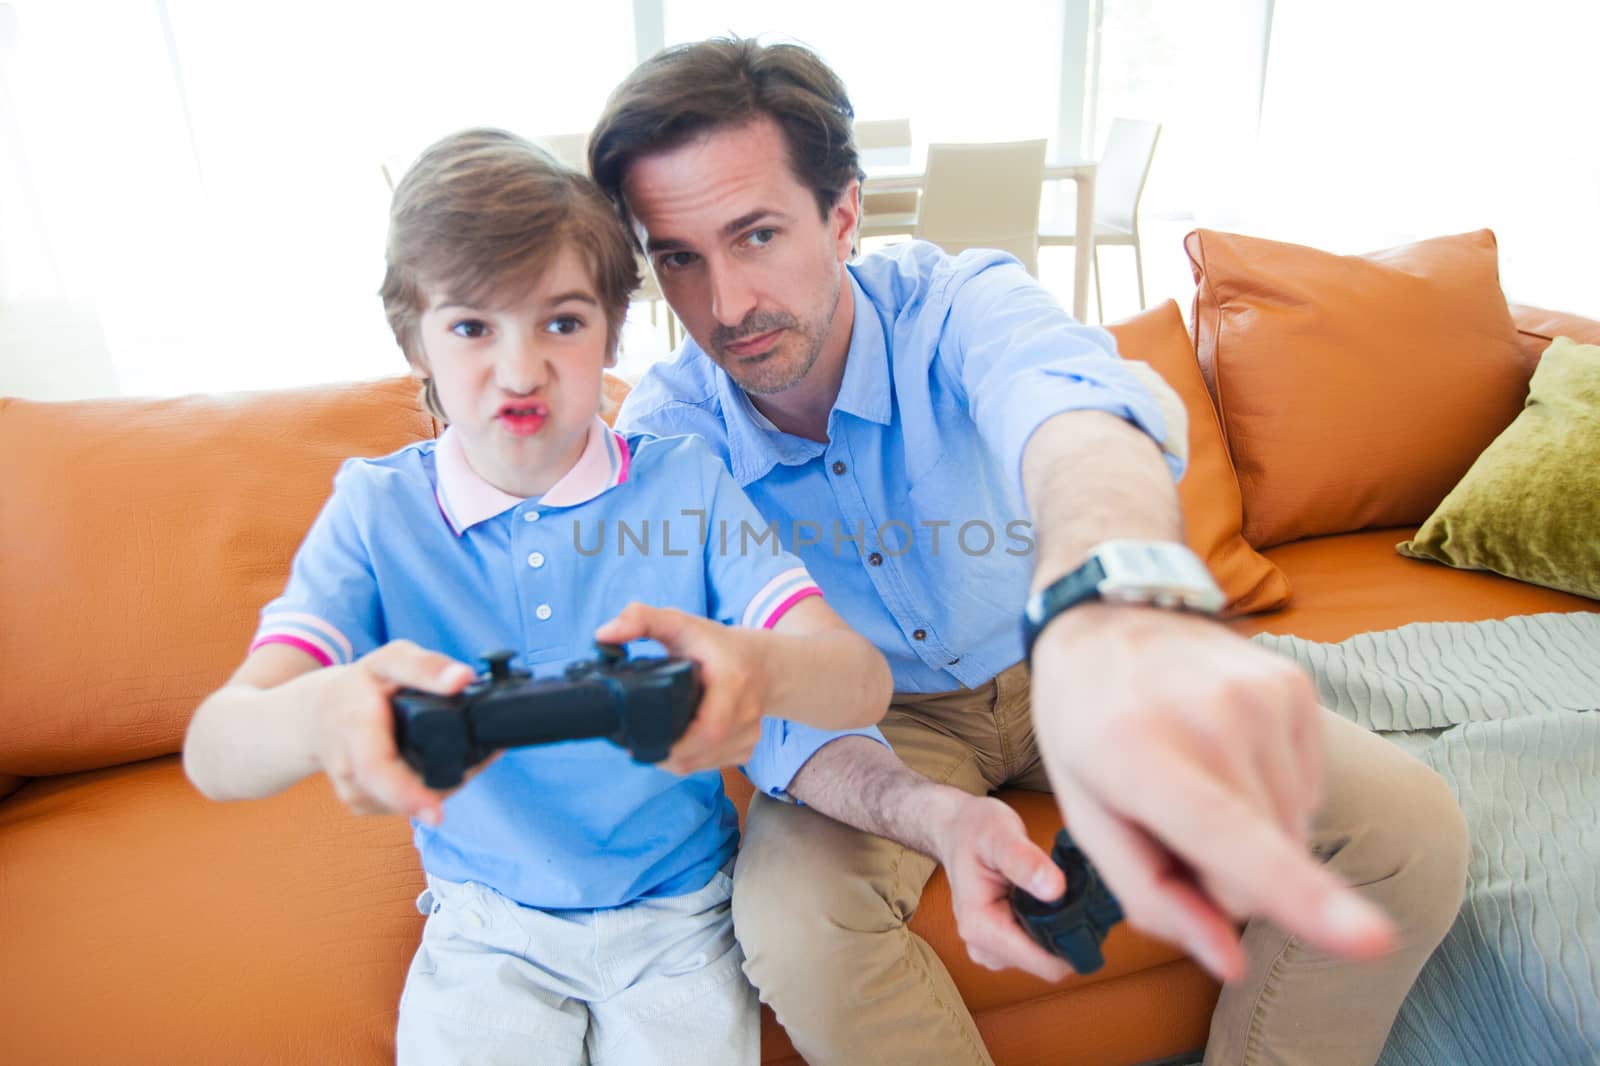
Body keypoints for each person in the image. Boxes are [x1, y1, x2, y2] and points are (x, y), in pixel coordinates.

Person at [588, 38, 1471, 1066]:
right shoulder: (671, 439)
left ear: (841, 216)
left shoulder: (958, 305)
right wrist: (929, 815)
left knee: (1403, 827)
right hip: (871, 719)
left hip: (1063, 648)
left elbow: (1074, 420)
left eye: (756, 236)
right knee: (796, 930)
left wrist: (1101, 599)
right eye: (680, 259)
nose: (726, 305)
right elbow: (763, 707)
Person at [181, 127, 894, 1066]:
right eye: (473, 327)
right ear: (414, 340)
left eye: (561, 322)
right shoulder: (376, 511)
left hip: (679, 916)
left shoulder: (688, 484)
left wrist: (761, 668)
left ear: (612, 326)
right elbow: (215, 750)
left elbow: (860, 682)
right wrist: (319, 712)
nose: (519, 372)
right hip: (487, 928)